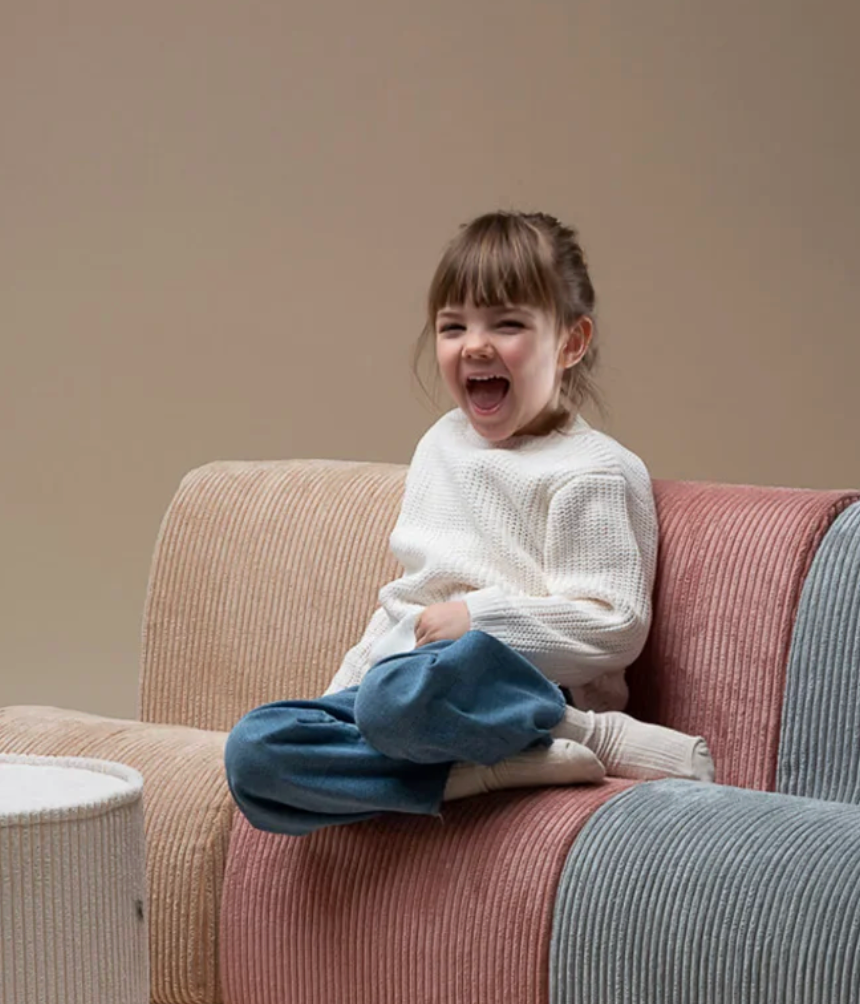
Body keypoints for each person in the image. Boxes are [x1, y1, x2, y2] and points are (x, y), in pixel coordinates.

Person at [224, 210, 713, 836]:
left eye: (507, 324)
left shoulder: (594, 470)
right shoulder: (440, 446)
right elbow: (409, 600)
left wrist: (478, 620)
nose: (475, 345)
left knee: (399, 694)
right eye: (453, 327)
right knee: (255, 752)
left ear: (570, 341)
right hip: (403, 692)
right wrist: (338, 699)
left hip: (509, 690)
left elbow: (614, 626)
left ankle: (586, 736)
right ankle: (482, 775)